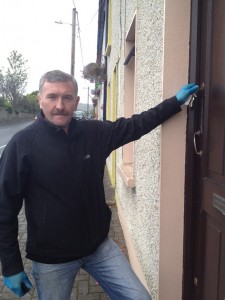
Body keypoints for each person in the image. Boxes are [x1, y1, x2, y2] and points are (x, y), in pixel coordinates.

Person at [0, 70, 198, 300]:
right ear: (40, 100)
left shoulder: (93, 133)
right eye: (52, 97)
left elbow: (136, 125)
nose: (60, 105)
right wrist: (11, 265)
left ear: (76, 101)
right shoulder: (22, 145)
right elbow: (5, 209)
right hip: (52, 258)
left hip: (98, 247)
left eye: (67, 97)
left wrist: (174, 102)